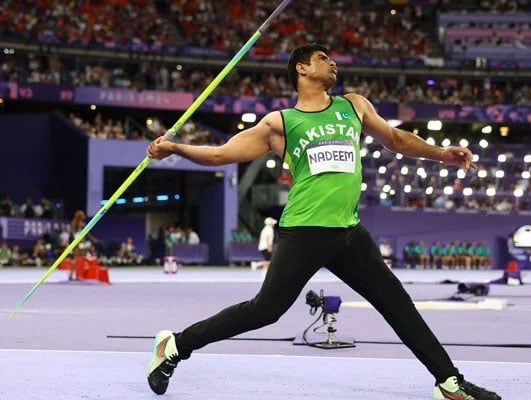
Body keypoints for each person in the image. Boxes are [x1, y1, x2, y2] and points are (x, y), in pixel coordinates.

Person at [145, 44, 501, 400]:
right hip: (304, 231)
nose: (333, 62)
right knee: (265, 311)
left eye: (332, 58)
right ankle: (175, 345)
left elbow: (394, 139)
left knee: (397, 304)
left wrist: (440, 154)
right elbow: (221, 154)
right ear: (302, 69)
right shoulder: (281, 122)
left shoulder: (354, 105)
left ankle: (449, 383)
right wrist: (176, 149)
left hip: (349, 232)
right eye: (322, 59)